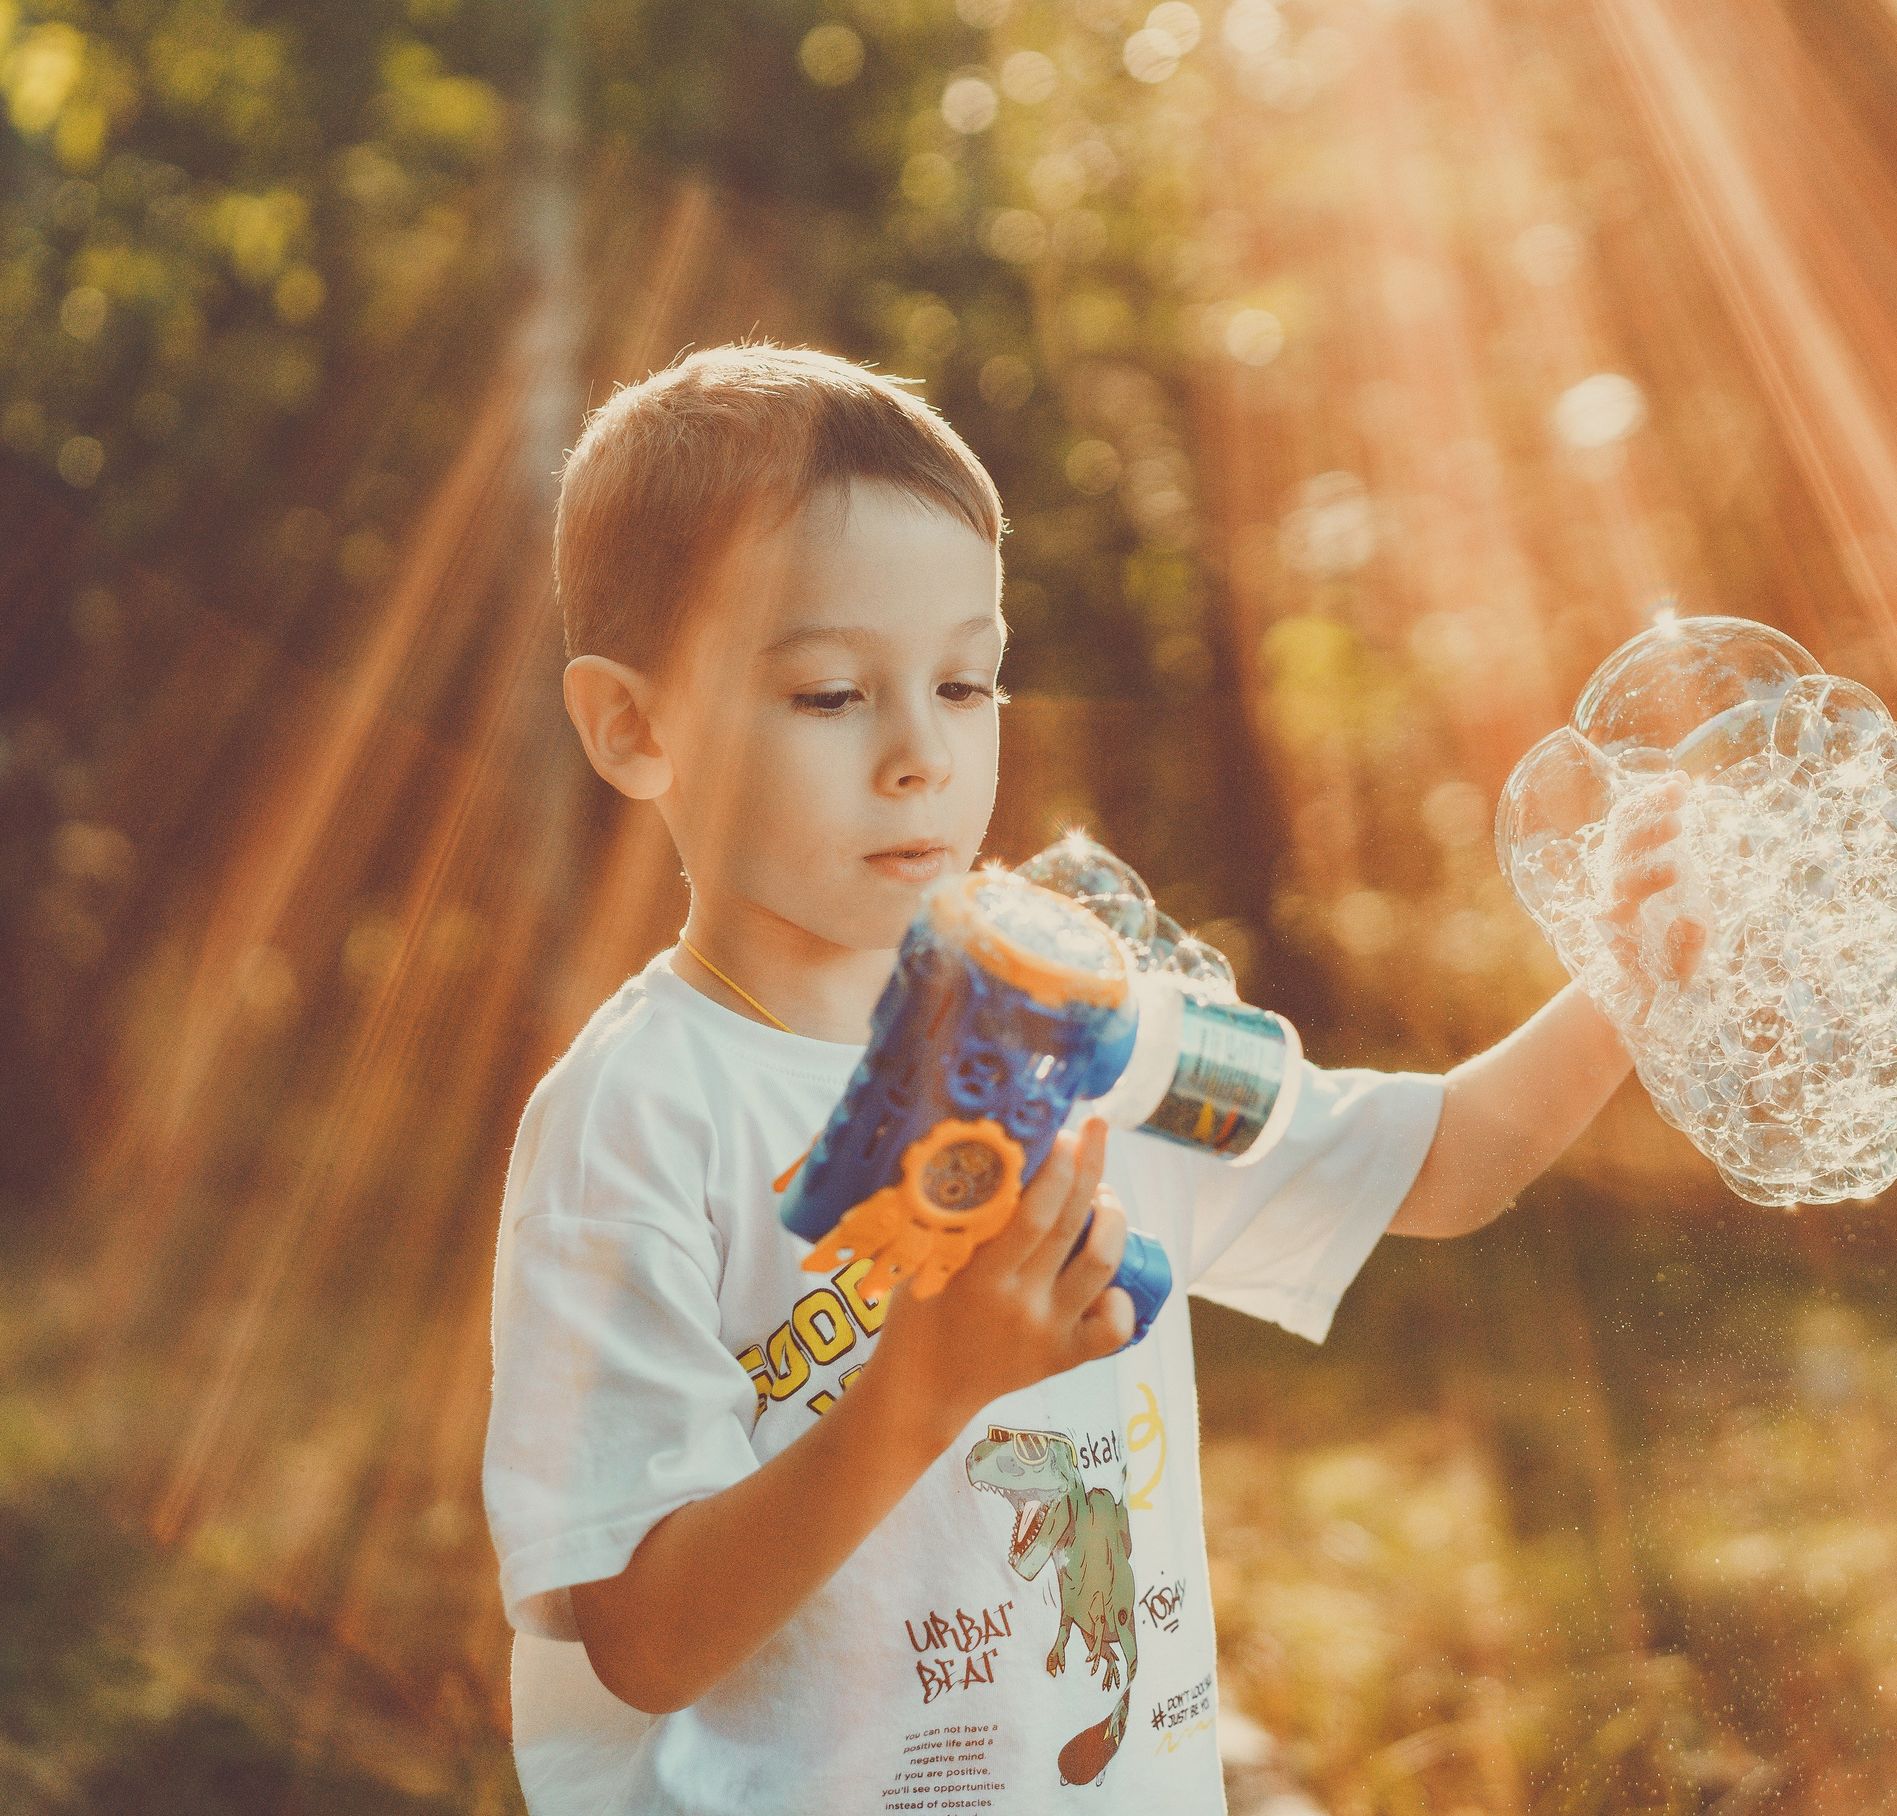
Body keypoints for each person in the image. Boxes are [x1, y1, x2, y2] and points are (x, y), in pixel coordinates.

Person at [484, 344, 1688, 1814]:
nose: (922, 753)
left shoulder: (1088, 1016)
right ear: (633, 725)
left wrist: (1627, 979)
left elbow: (1442, 1166)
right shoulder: (640, 1121)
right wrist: (921, 1387)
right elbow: (642, 1638)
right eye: (829, 694)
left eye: (967, 680)